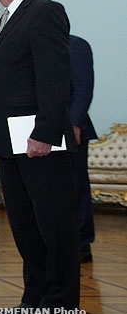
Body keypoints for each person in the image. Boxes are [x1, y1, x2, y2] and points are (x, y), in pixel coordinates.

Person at [0, 0, 80, 314]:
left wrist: (44, 134)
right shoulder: (6, 19)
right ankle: (35, 299)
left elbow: (55, 78)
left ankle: (61, 306)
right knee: (25, 226)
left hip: (38, 143)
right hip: (8, 142)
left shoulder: (45, 11)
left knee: (54, 225)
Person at [69, 35, 96, 263]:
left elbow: (83, 88)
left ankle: (82, 244)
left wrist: (74, 123)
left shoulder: (75, 45)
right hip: (41, 130)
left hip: (72, 130)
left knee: (76, 186)